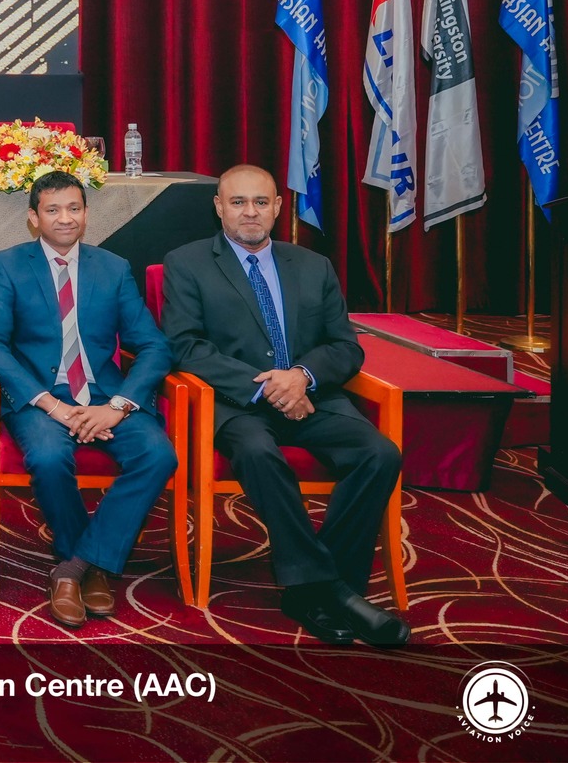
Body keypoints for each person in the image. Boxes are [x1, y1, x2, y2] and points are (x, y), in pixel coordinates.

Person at [161, 164, 408, 646]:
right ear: (219, 207)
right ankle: (334, 591)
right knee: (258, 452)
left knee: (380, 453)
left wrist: (302, 377)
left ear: (277, 207)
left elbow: (346, 347)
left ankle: (311, 589)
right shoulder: (187, 263)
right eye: (238, 202)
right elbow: (185, 346)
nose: (250, 212)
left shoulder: (313, 266)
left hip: (311, 397)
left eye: (260, 202)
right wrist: (269, 388)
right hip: (238, 405)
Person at [0, 171, 176, 627]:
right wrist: (51, 404)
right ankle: (91, 565)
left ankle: (76, 567)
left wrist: (118, 406)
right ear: (33, 217)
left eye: (74, 208)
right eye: (53, 210)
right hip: (41, 397)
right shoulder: (9, 265)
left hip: (105, 395)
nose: (65, 218)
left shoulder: (113, 268)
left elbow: (153, 345)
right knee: (47, 456)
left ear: (86, 213)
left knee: (159, 454)